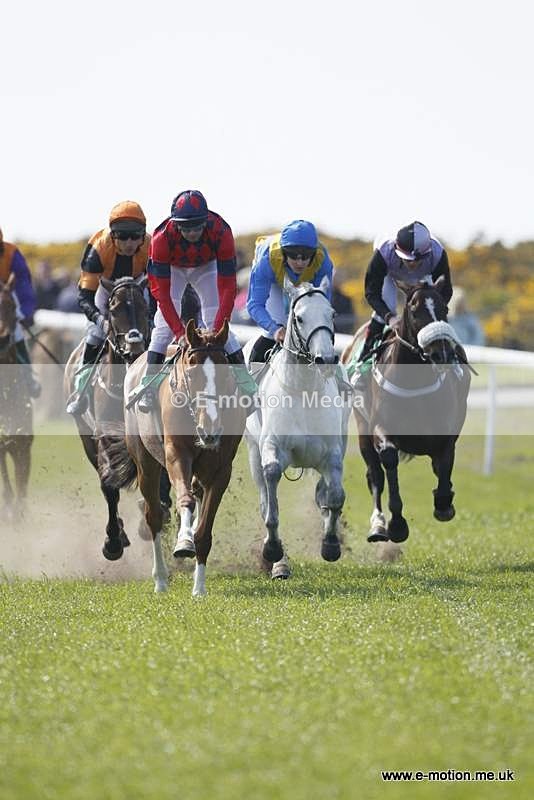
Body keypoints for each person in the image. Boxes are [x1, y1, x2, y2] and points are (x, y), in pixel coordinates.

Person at [136, 189, 256, 413]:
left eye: (197, 227)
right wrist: (180, 333)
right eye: (186, 227)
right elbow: (161, 293)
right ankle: (148, 386)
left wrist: (219, 328)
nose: (192, 233)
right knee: (162, 327)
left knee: (215, 322)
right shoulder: (161, 238)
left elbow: (228, 288)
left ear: (206, 220)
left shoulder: (221, 231)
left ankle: (245, 383)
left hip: (206, 267)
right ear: (175, 224)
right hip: (173, 268)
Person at [246, 219, 352, 398]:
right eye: (294, 255)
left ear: (314, 253)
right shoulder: (267, 259)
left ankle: (338, 380)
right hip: (274, 282)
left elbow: (323, 308)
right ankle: (249, 389)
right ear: (284, 252)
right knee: (271, 331)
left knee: (318, 330)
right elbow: (254, 305)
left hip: (308, 283)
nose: (300, 261)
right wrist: (275, 329)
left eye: (306, 255)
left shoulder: (322, 261)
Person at [66, 200, 150, 415]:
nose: (130, 242)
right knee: (95, 335)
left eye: (135, 235)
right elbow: (84, 296)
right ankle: (81, 392)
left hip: (139, 287)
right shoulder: (99, 247)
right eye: (123, 236)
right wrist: (99, 320)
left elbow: (161, 287)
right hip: (106, 289)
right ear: (113, 235)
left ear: (143, 235)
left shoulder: (151, 246)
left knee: (156, 332)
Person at [352, 220, 453, 388]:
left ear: (426, 253)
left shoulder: (437, 254)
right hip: (391, 275)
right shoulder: (383, 253)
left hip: (425, 278)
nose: (412, 264)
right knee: (387, 307)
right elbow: (372, 293)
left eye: (417, 260)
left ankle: (452, 358)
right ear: (398, 251)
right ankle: (363, 363)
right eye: (408, 259)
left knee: (431, 309)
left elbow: (446, 292)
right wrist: (389, 317)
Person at [0, 227, 40, 397]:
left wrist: (25, 312)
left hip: (6, 301)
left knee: (16, 335)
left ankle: (28, 379)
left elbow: (23, 284)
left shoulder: (12, 253)